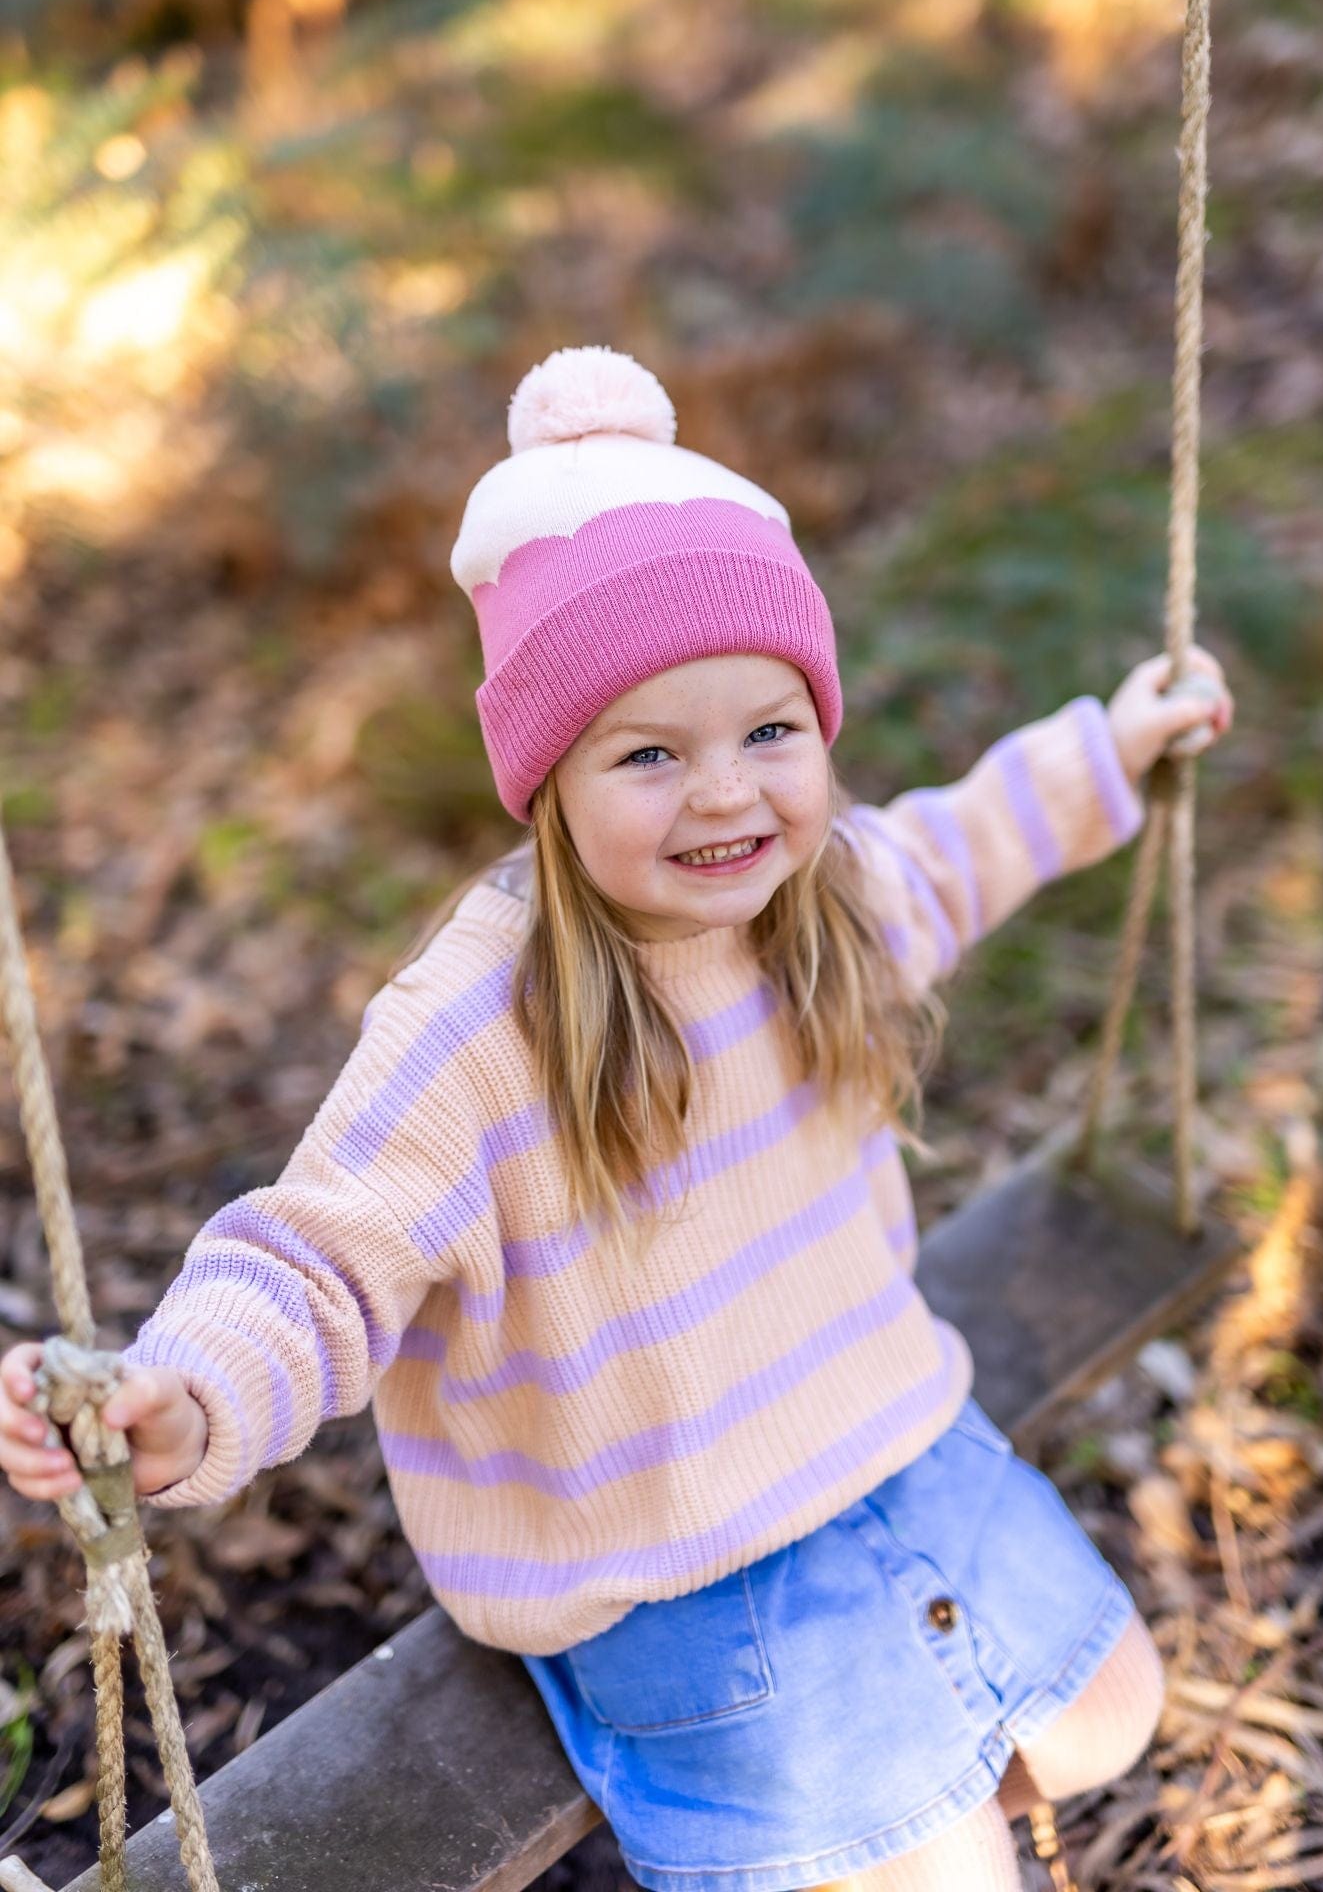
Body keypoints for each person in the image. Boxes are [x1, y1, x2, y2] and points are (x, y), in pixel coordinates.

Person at [1, 347, 1233, 1891]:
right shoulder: (478, 1023)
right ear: (548, 780)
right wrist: (181, 1395)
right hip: (660, 1550)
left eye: (768, 733)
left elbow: (949, 854)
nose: (726, 796)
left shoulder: (815, 895)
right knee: (951, 1870)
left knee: (1109, 1719)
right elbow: (321, 1257)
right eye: (650, 753)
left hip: (877, 1426)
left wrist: (1101, 753)